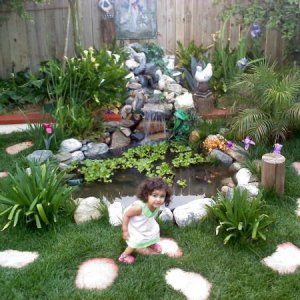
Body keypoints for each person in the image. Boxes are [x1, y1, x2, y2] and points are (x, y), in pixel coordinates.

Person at [118, 177, 172, 264]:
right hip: (135, 225)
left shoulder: (156, 205)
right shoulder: (139, 208)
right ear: (147, 195)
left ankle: (151, 244)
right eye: (154, 195)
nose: (158, 199)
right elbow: (126, 215)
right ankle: (124, 256)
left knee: (153, 231)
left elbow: (150, 216)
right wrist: (125, 231)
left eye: (162, 196)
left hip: (144, 223)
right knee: (135, 241)